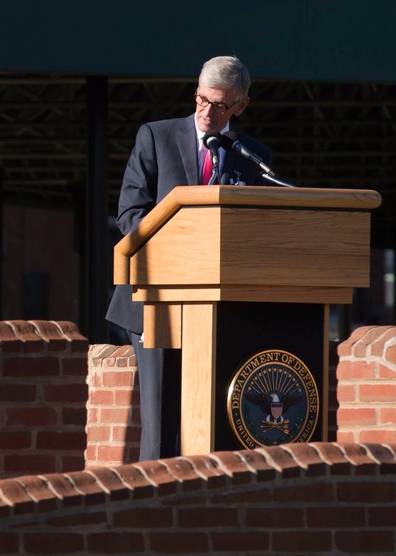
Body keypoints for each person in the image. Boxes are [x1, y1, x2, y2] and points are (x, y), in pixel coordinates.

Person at [104, 55, 272, 461]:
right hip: (155, 301)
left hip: (221, 309)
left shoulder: (253, 157)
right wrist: (181, 249)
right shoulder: (155, 137)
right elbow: (129, 214)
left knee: (212, 424)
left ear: (241, 106)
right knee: (160, 430)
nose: (206, 112)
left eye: (219, 105)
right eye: (201, 99)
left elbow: (259, 230)